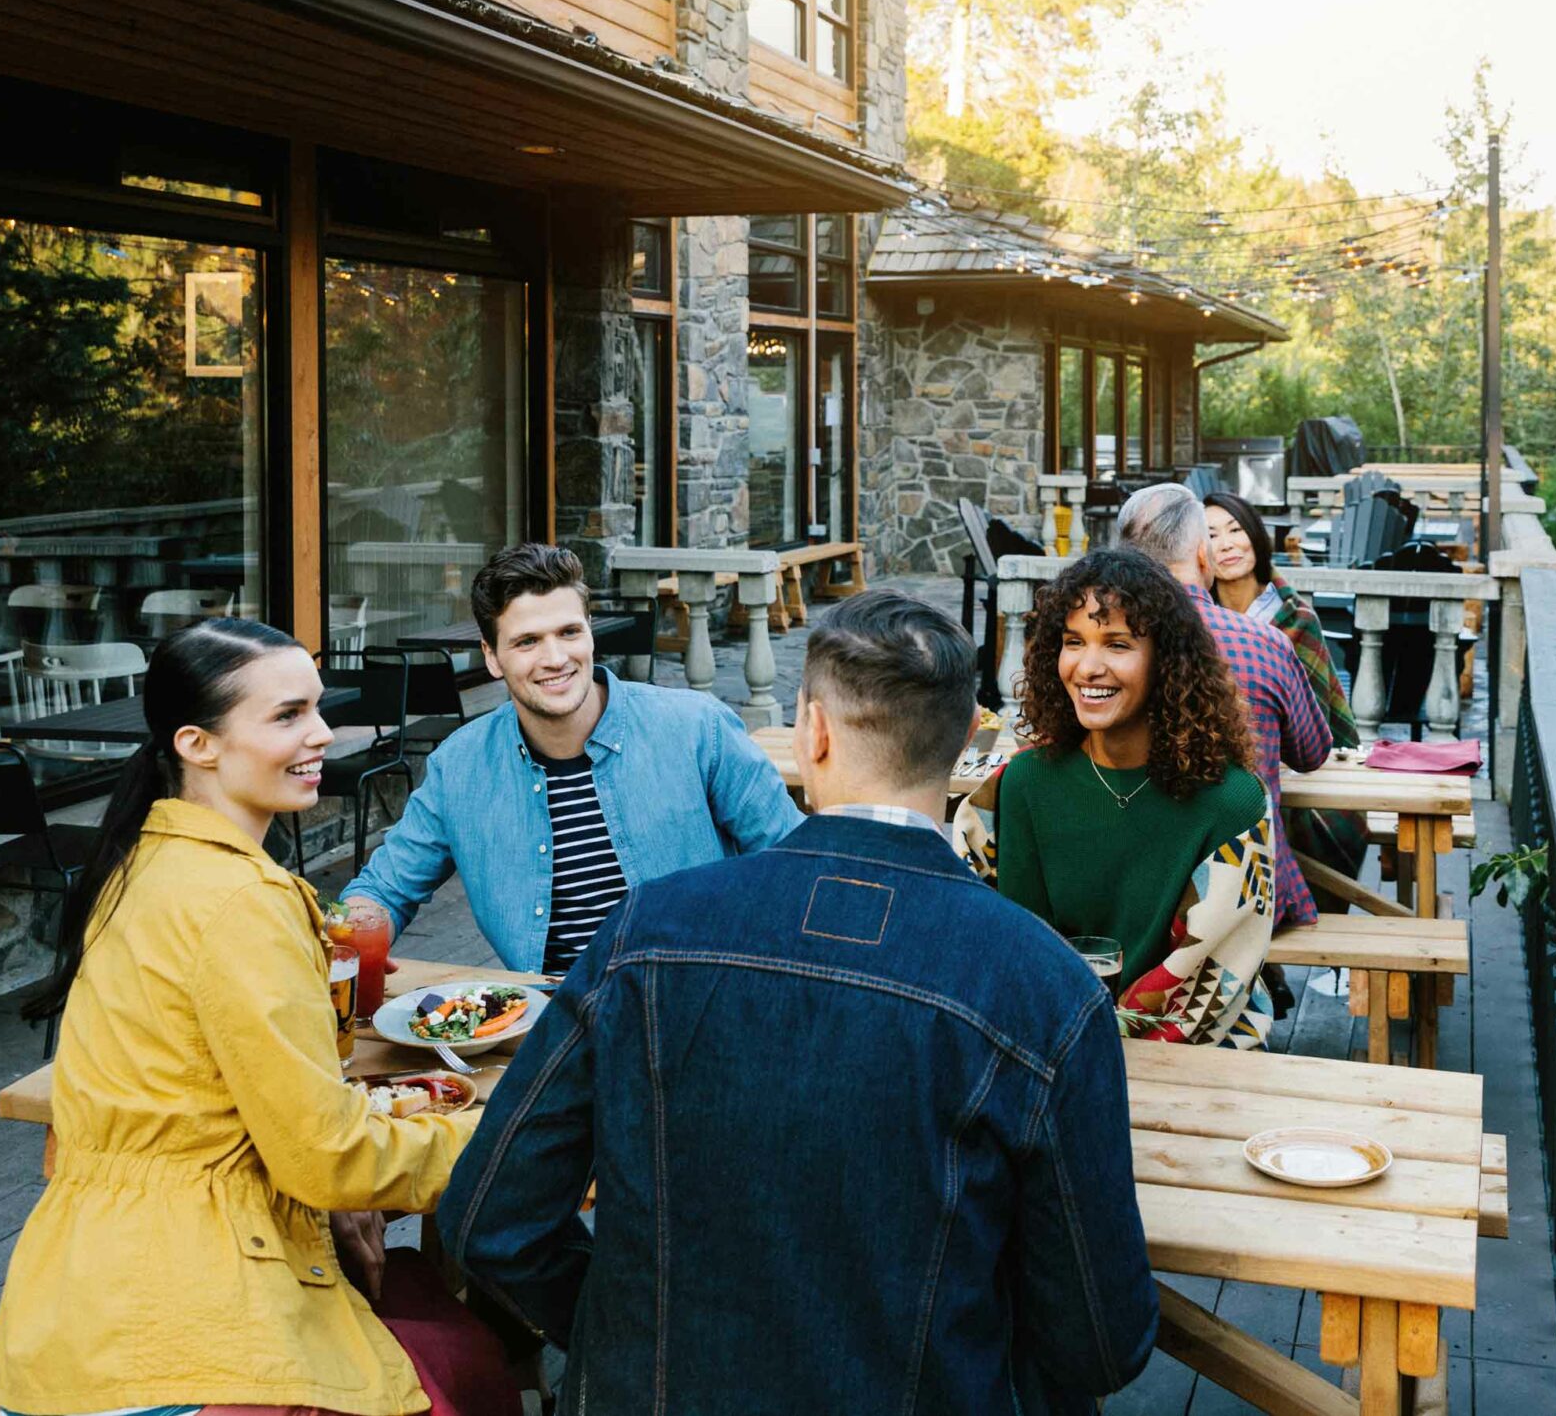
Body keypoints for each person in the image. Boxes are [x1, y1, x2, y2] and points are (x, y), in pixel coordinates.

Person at [437, 592, 1159, 1415]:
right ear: (965, 742)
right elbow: (1102, 1339)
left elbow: (489, 1215)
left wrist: (628, 1329)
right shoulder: (1046, 984)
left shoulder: (644, 931)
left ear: (813, 731)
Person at [0, 617, 518, 1416]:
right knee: (467, 1364)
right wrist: (510, 1127)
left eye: (316, 707)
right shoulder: (241, 901)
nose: (322, 734)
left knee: (433, 1327)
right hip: (181, 1350)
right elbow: (327, 1156)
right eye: (286, 716)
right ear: (197, 744)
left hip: (69, 1321)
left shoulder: (140, 859)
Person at [342, 542, 802, 973]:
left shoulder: (700, 729)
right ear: (492, 657)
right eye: (527, 642)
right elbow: (382, 891)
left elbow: (798, 862)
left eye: (569, 632)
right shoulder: (459, 768)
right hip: (549, 1026)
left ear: (589, 633)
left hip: (694, 1011)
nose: (556, 658)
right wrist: (350, 940)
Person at [988, 549, 1279, 1048]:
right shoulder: (1026, 783)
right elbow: (1022, 955)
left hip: (1199, 1054)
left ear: (1166, 661)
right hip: (1059, 1046)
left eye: (1117, 644)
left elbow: (1215, 989)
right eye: (1073, 641)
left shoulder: (1233, 802)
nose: (1088, 666)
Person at [1115, 483, 1332, 929]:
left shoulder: (1094, 645)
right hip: (1249, 892)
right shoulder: (1266, 641)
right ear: (1202, 554)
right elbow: (1312, 754)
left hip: (1128, 886)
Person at [1204, 489, 1372, 886]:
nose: (1226, 544)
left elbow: (1317, 722)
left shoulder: (1295, 619)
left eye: (1235, 529)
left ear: (1256, 538)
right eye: (1210, 536)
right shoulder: (1195, 621)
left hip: (1293, 769)